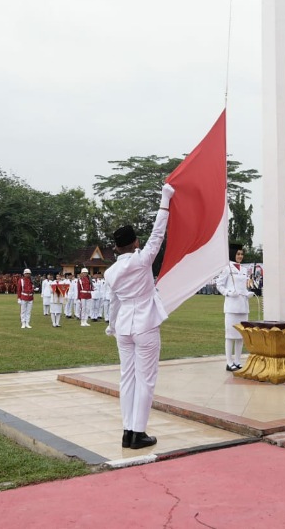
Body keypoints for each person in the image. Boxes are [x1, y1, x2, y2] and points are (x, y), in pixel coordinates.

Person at [104, 184, 174, 450]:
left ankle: (127, 432)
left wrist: (111, 327)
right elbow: (158, 233)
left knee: (127, 378)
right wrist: (164, 200)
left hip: (123, 327)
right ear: (135, 243)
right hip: (145, 324)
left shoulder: (110, 273)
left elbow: (113, 304)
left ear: (116, 247)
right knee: (146, 379)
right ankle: (138, 432)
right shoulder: (142, 260)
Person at [215, 243, 254, 371]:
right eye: (238, 254)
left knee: (241, 335)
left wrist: (247, 293)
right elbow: (219, 284)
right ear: (233, 254)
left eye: (242, 254)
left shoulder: (244, 269)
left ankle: (237, 361)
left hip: (243, 306)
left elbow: (243, 287)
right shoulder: (227, 268)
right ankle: (229, 362)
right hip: (232, 307)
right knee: (230, 335)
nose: (240, 256)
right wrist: (228, 293)